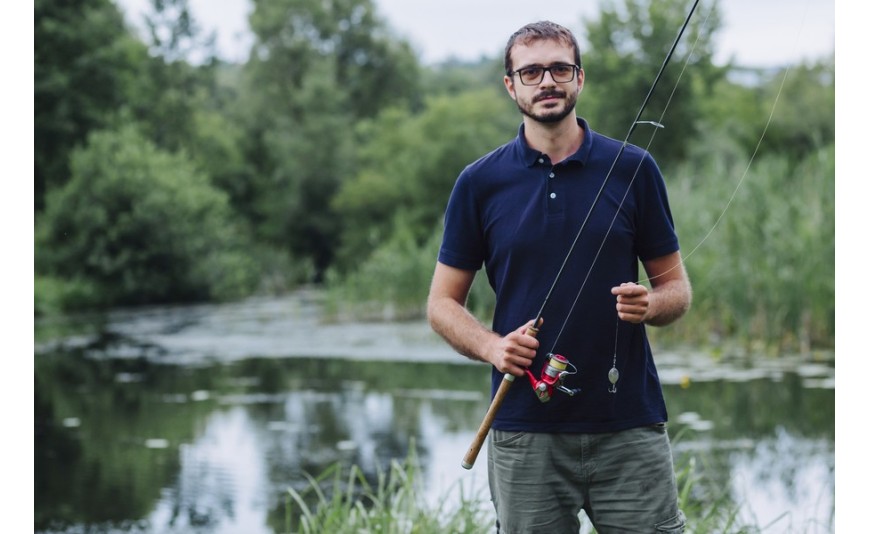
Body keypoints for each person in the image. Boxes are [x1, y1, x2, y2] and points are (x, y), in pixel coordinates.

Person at [426, 20, 692, 533]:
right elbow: (441, 303)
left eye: (558, 68)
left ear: (579, 78)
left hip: (629, 425)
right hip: (525, 432)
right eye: (530, 71)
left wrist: (650, 305)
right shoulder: (479, 183)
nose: (546, 81)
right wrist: (491, 347)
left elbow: (677, 291)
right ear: (511, 85)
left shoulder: (634, 168)